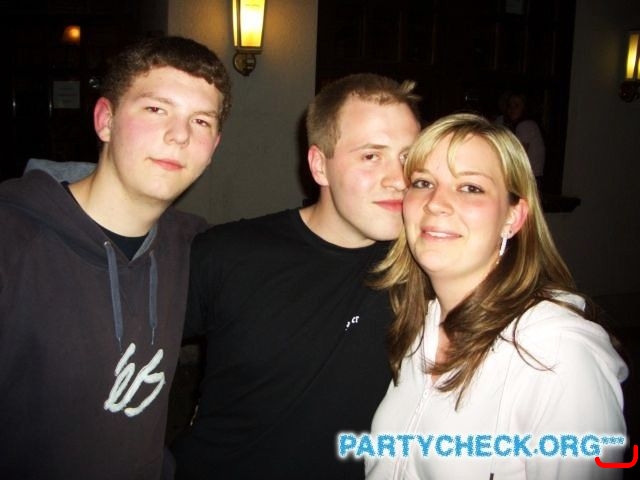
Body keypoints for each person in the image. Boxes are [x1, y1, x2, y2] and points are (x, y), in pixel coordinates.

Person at [0, 35, 231, 479]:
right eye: (156, 109)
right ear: (105, 120)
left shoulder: (196, 248)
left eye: (201, 121)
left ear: (214, 147)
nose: (179, 135)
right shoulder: (12, 242)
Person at [170, 73, 422, 479]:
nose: (399, 179)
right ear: (320, 165)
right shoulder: (230, 254)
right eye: (371, 156)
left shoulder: (427, 270)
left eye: (408, 158)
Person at [364, 113, 627, 479]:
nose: (435, 203)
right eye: (423, 182)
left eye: (470, 187)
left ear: (513, 217)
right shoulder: (419, 328)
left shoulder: (555, 353)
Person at [504, 92, 546, 183]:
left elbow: (520, 154)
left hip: (530, 177)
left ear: (524, 108)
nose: (512, 109)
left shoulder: (525, 125)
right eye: (510, 105)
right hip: (531, 175)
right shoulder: (527, 124)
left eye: (516, 105)